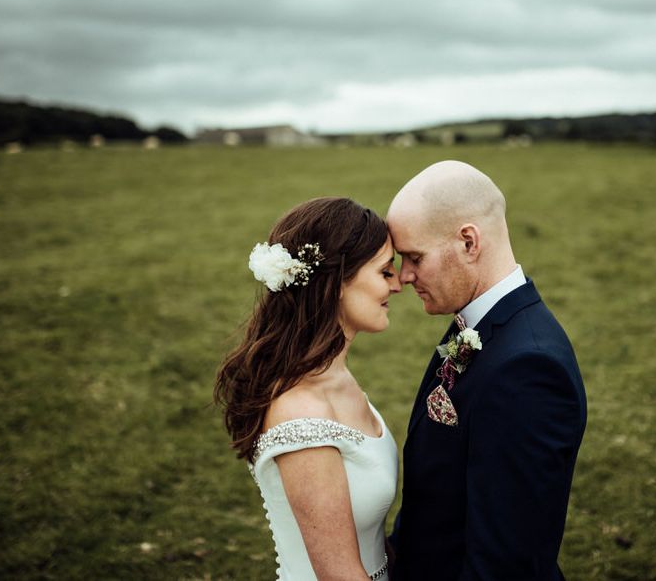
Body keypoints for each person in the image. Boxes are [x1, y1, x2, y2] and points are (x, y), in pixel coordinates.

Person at [386, 161, 587, 580]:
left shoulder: (529, 370)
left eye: (414, 257)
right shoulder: (479, 322)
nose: (404, 276)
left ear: (468, 242)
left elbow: (505, 560)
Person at [214, 197, 401, 581]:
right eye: (385, 272)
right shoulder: (301, 413)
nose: (399, 284)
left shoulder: (336, 378)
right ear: (337, 283)